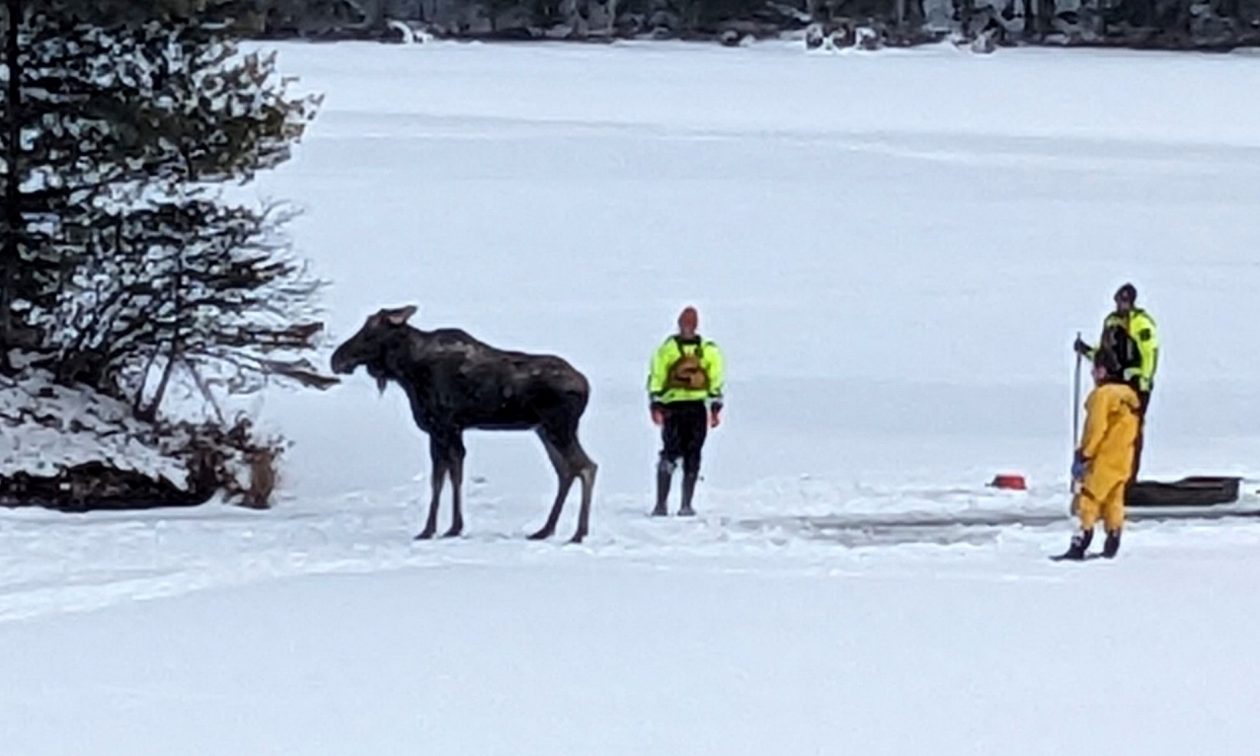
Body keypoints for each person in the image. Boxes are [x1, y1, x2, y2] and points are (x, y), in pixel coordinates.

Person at [1055, 349, 1141, 560]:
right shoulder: (1128, 398)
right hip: (1123, 459)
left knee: (1087, 500)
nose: (1092, 374)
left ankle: (1080, 542)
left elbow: (1096, 428)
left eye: (1094, 369)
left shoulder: (1103, 396)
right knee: (1114, 500)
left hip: (1102, 459)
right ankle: (1113, 539)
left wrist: (1084, 454)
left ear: (1102, 370)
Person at [1074, 282, 1158, 477]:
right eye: (1119, 301)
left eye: (1125, 301)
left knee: (1129, 432)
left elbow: (1149, 354)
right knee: (1107, 430)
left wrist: (1143, 378)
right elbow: (1105, 353)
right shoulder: (1111, 322)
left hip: (1134, 385)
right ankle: (1104, 475)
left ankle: (1128, 477)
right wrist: (1086, 351)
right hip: (1113, 383)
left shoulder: (1141, 323)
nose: (1121, 305)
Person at [646, 306, 724, 517]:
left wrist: (655, 402)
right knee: (687, 453)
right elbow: (715, 379)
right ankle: (679, 505)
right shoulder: (707, 350)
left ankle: (667, 504)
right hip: (690, 408)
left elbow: (657, 377)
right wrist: (716, 406)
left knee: (675, 453)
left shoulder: (668, 349)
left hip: (677, 407)